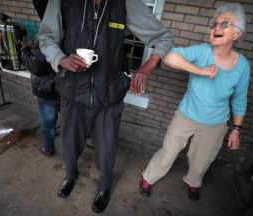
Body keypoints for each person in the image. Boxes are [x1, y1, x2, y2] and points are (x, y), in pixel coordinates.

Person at [38, 0, 173, 213]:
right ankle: (70, 175)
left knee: (107, 149)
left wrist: (149, 64)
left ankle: (104, 187)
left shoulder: (125, 3)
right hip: (73, 90)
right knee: (69, 143)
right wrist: (61, 59)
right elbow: (46, 37)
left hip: (109, 93)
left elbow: (163, 36)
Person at [139, 2, 250, 201]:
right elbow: (168, 56)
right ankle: (148, 177)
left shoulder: (243, 66)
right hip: (186, 115)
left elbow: (240, 99)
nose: (216, 27)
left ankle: (193, 182)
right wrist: (200, 70)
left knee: (201, 161)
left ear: (237, 34)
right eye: (214, 24)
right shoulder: (202, 51)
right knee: (168, 152)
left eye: (225, 24)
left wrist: (236, 129)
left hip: (215, 123)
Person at [21, 0, 60, 157]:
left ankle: (48, 149)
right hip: (66, 88)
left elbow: (38, 67)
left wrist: (24, 51)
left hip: (48, 90)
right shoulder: (71, 27)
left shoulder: (47, 31)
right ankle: (73, 154)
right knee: (68, 123)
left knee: (48, 123)